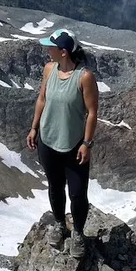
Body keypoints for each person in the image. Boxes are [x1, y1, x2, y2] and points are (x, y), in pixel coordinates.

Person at [26, 28, 99, 257]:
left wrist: (87, 143)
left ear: (64, 52)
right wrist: (34, 127)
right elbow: (42, 99)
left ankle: (77, 232)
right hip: (48, 140)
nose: (47, 50)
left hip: (73, 145)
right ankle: (59, 223)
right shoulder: (49, 69)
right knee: (55, 186)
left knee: (77, 193)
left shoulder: (84, 77)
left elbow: (92, 112)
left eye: (51, 46)